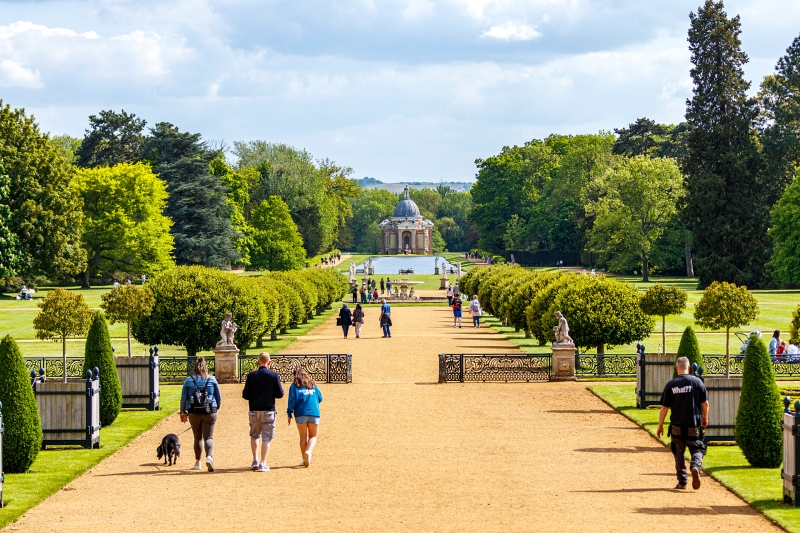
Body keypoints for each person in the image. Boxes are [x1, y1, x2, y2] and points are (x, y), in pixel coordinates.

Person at [657, 356, 708, 490]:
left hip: (676, 426)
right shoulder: (697, 382)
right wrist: (705, 418)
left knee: (678, 453)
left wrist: (660, 425)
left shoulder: (671, 384)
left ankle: (682, 481)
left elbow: (664, 408)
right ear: (689, 368)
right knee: (697, 448)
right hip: (693, 425)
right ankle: (695, 466)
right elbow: (705, 403)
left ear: (676, 368)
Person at [242, 352, 284, 472]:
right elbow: (280, 394)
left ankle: (255, 460)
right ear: (269, 363)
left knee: (254, 435)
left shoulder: (251, 376)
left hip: (254, 410)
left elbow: (245, 395)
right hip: (268, 410)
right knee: (266, 438)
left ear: (258, 362)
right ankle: (263, 462)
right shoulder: (273, 375)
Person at [180, 357, 222, 472]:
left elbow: (184, 398)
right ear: (205, 368)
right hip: (210, 411)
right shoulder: (212, 379)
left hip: (194, 411)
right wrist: (216, 408)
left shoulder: (189, 380)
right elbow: (218, 397)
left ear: (195, 368)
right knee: (208, 437)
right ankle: (209, 457)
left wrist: (182, 411)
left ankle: (198, 462)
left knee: (197, 437)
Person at [287, 367, 323, 467]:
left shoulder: (294, 386)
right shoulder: (312, 384)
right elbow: (320, 398)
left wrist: (289, 413)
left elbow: (291, 401)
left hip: (300, 413)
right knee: (313, 436)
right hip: (314, 412)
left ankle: (304, 458)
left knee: (303, 436)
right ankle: (309, 452)